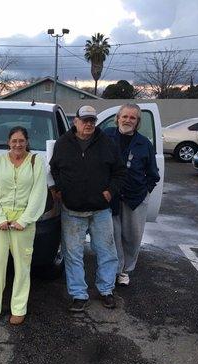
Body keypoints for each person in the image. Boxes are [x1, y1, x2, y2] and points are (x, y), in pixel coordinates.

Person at [49, 105, 125, 312]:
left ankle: (106, 290)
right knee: (72, 254)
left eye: (92, 120)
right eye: (85, 120)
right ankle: (78, 295)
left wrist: (110, 192)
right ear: (76, 121)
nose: (89, 124)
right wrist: (59, 188)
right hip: (72, 211)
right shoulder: (63, 143)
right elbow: (54, 168)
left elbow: (119, 172)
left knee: (107, 252)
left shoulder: (107, 144)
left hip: (100, 211)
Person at [0, 126, 47, 325]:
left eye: (21, 140)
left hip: (23, 222)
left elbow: (38, 193)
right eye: (14, 141)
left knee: (22, 266)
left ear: (27, 141)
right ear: (8, 142)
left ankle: (19, 308)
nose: (17, 144)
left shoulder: (37, 162)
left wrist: (24, 220)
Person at [104, 104, 160, 286]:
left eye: (132, 118)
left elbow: (153, 174)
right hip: (110, 197)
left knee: (132, 237)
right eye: (125, 116)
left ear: (137, 122)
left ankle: (126, 270)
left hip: (135, 199)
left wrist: (144, 192)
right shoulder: (105, 137)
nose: (128, 120)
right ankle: (116, 269)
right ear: (118, 118)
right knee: (112, 236)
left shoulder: (145, 144)